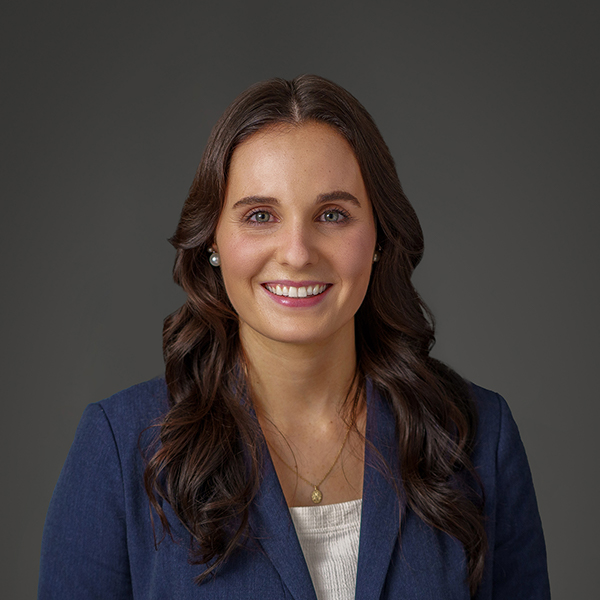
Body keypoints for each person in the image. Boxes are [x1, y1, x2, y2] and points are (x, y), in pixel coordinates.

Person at [38, 75, 550, 599]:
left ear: (378, 236)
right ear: (213, 240)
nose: (298, 252)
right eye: (260, 216)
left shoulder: (480, 437)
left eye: (333, 215)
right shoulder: (122, 447)